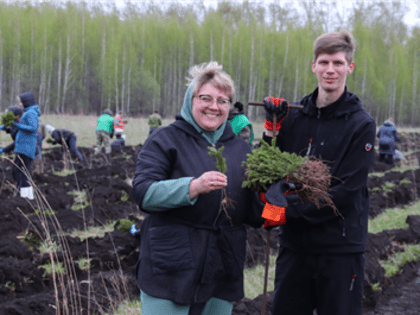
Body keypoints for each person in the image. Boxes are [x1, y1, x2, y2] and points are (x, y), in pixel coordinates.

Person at [132, 62, 264, 315]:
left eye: (223, 101)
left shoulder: (241, 150)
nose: (214, 107)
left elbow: (254, 214)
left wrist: (278, 198)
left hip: (223, 264)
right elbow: (144, 194)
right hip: (170, 266)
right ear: (190, 100)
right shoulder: (165, 139)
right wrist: (193, 187)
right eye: (206, 98)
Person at [261, 30, 376, 315]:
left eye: (338, 63)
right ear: (313, 65)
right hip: (295, 247)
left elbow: (346, 192)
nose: (330, 70)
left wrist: (286, 211)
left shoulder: (361, 124)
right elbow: (269, 167)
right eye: (324, 62)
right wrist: (271, 129)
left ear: (350, 67)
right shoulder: (296, 117)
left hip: (340, 249)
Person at [13, 92, 41, 200]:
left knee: (23, 172)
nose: (20, 104)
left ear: (26, 102)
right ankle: (28, 197)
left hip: (26, 148)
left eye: (21, 102)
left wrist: (17, 125)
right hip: (23, 147)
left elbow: (33, 128)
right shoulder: (29, 112)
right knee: (20, 171)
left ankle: (25, 198)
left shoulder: (31, 113)